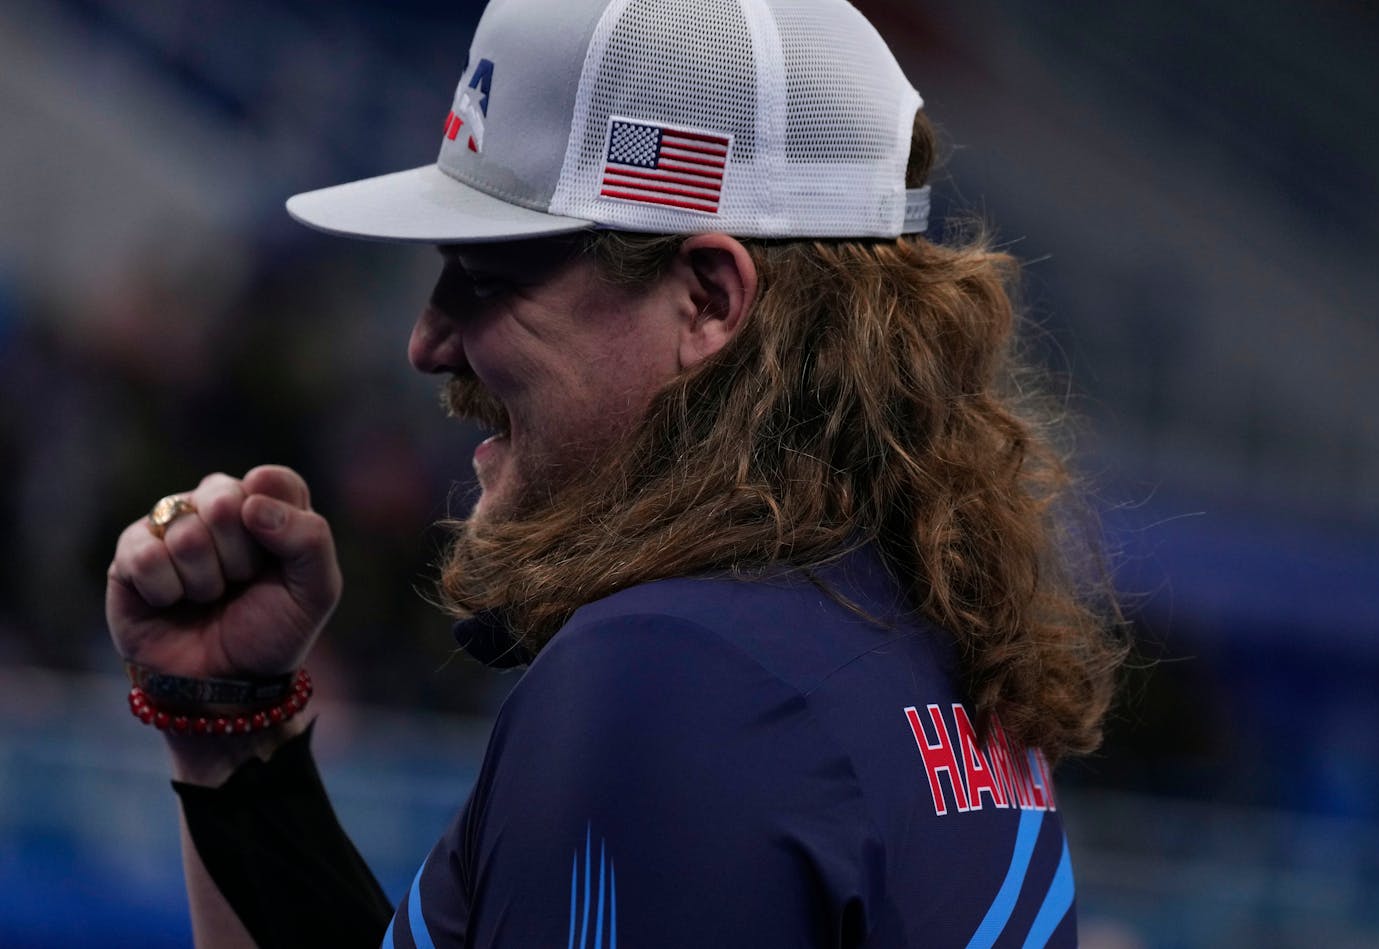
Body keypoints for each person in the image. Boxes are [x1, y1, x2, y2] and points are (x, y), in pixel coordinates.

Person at [106, 0, 1126, 946]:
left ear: (706, 300)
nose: (428, 339)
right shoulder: (895, 627)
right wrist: (227, 730)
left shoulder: (667, 676)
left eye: (491, 275)